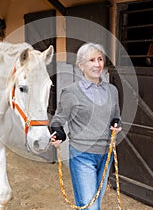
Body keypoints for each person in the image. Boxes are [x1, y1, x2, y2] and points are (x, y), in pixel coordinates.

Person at [50, 42, 122, 210]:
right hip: (82, 155)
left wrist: (116, 124)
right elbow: (57, 121)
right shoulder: (71, 92)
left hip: (106, 155)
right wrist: (58, 134)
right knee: (91, 207)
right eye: (91, 60)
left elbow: (116, 116)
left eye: (100, 59)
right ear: (81, 65)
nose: (97, 64)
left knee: (92, 202)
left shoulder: (112, 91)